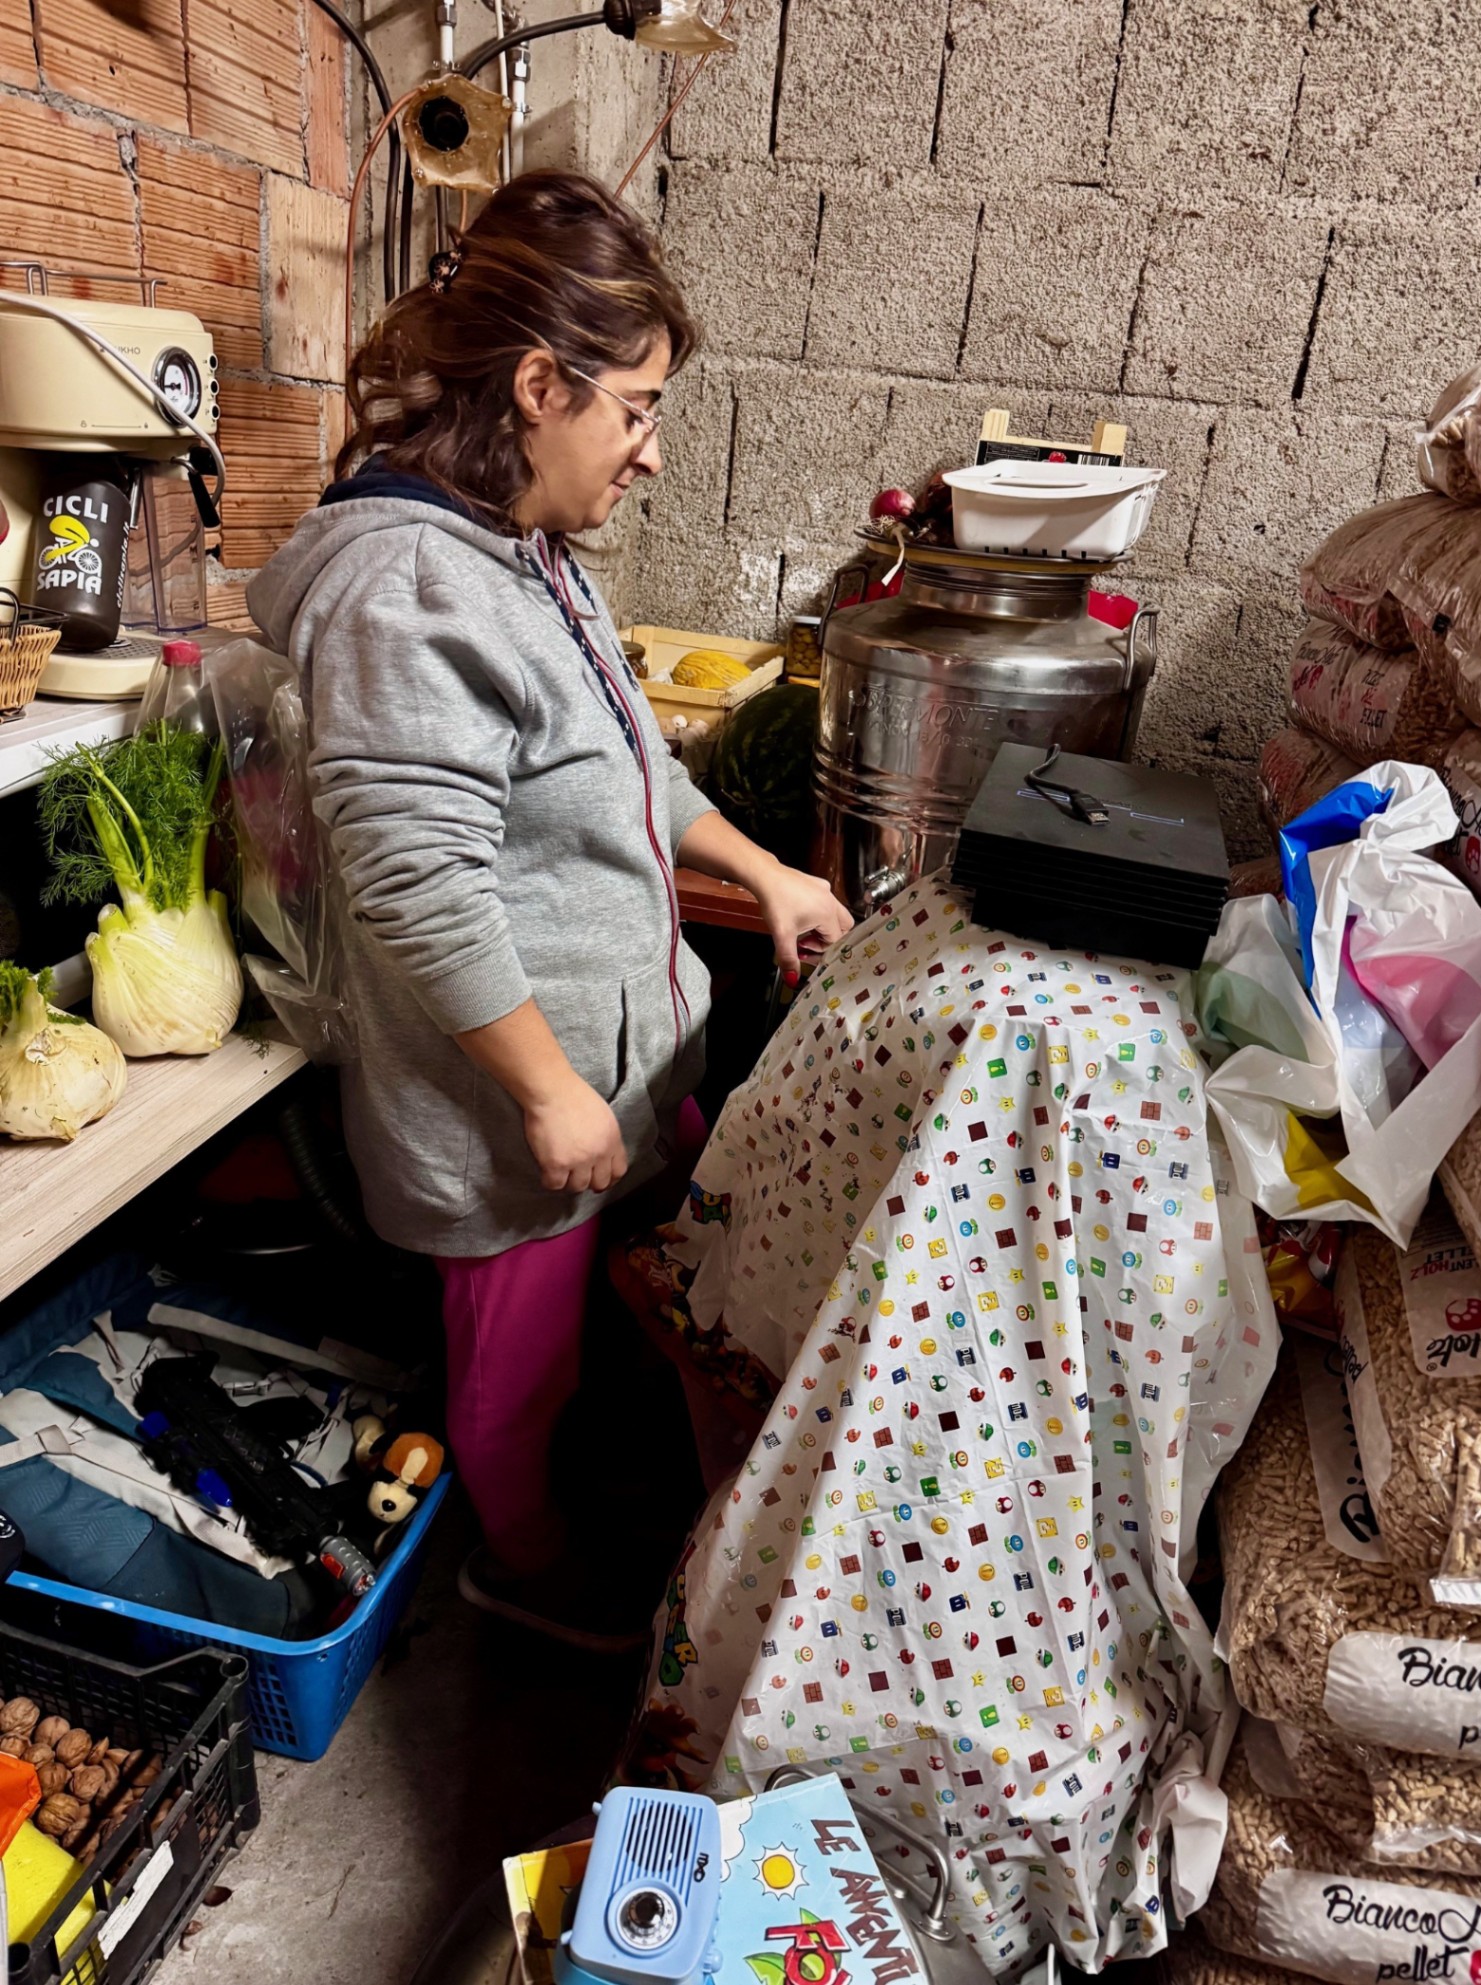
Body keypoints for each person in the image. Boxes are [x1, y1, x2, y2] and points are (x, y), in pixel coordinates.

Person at [247, 170, 852, 1648]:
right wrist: (546, 1092)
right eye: (635, 409)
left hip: (614, 1067)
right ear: (537, 386)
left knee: (650, 1316)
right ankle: (518, 1565)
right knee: (519, 1378)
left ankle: (604, 1507)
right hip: (516, 1114)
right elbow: (416, 881)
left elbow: (634, 766)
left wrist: (767, 873)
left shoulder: (523, 554)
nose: (650, 449)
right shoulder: (408, 588)